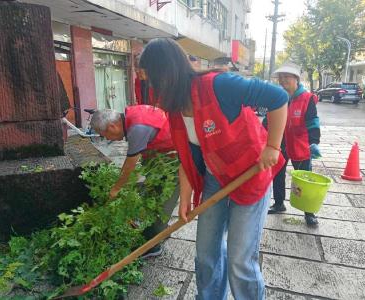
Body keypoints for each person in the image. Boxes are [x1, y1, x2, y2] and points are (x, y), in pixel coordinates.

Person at [139, 38, 288, 300]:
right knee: (206, 254)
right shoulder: (174, 106)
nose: (150, 85)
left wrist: (273, 146)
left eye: (150, 77)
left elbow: (278, 97)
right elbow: (188, 156)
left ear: (165, 72)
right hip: (215, 178)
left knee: (239, 260)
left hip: (249, 175)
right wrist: (184, 199)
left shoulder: (218, 85)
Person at [90, 104, 177, 257]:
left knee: (163, 199)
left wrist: (116, 188)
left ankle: (152, 245)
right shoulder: (131, 116)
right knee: (153, 195)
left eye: (104, 135)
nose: (107, 139)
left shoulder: (137, 128)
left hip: (175, 159)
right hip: (161, 155)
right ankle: (160, 230)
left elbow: (130, 163)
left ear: (112, 126)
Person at [267, 62, 321, 227]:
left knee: (304, 179)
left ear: (296, 79)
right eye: (280, 78)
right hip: (281, 142)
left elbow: (313, 122)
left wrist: (313, 142)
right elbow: (268, 120)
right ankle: (278, 203)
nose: (283, 80)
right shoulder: (278, 98)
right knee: (277, 173)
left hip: (301, 143)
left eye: (287, 77)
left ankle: (309, 213)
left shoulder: (307, 99)